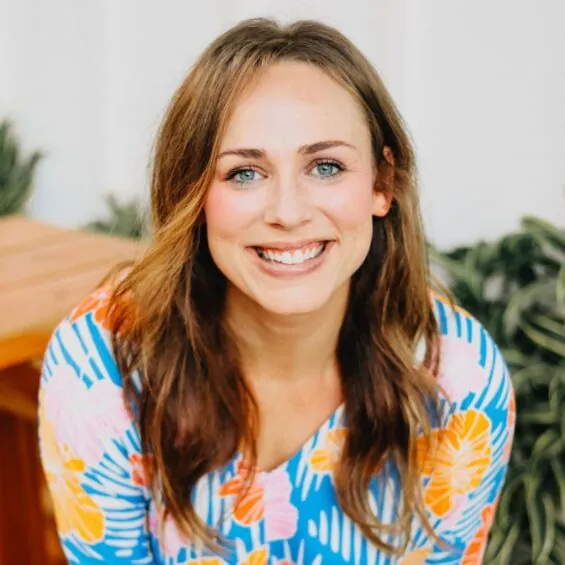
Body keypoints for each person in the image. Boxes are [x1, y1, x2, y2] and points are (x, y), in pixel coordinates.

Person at [38, 17, 515, 565]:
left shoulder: (459, 383)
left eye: (327, 166)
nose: (288, 212)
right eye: (244, 173)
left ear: (383, 184)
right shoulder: (103, 364)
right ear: (192, 193)